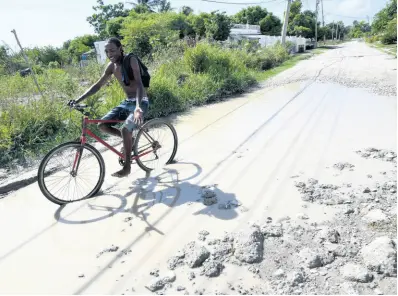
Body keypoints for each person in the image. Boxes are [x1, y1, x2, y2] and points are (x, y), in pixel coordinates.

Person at [70, 37, 149, 178]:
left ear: (120, 48)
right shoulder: (111, 66)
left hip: (140, 101)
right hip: (127, 102)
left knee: (125, 128)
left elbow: (139, 84)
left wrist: (138, 107)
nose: (109, 54)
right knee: (102, 126)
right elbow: (98, 85)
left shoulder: (131, 60)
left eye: (112, 50)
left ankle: (127, 167)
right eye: (107, 51)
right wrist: (77, 100)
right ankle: (128, 140)